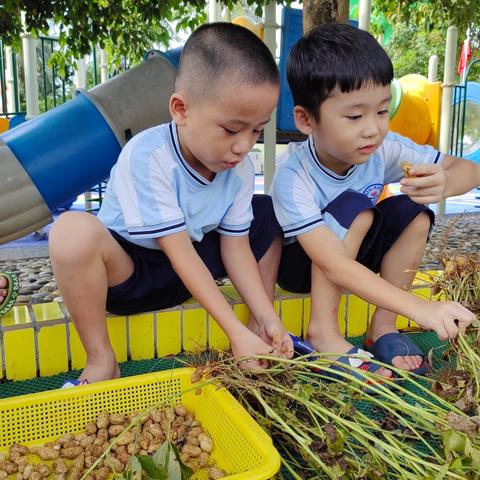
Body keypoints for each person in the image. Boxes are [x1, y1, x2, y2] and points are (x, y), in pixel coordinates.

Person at [49, 22, 293, 385]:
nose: (244, 146)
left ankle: (260, 326)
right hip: (131, 274)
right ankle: (101, 358)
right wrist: (231, 331)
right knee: (70, 231)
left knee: (265, 212)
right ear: (181, 109)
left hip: (194, 267)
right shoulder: (149, 156)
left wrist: (266, 313)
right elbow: (177, 251)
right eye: (231, 129)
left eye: (256, 130)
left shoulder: (237, 166)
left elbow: (236, 247)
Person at [271, 23, 479, 379]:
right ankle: (324, 331)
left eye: (382, 111)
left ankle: (383, 327)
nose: (373, 128)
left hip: (354, 256)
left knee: (413, 210)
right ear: (307, 120)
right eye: (355, 116)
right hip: (303, 265)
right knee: (356, 207)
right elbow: (334, 264)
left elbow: (469, 169)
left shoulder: (383, 148)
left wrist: (444, 182)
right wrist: (422, 309)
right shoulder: (293, 176)